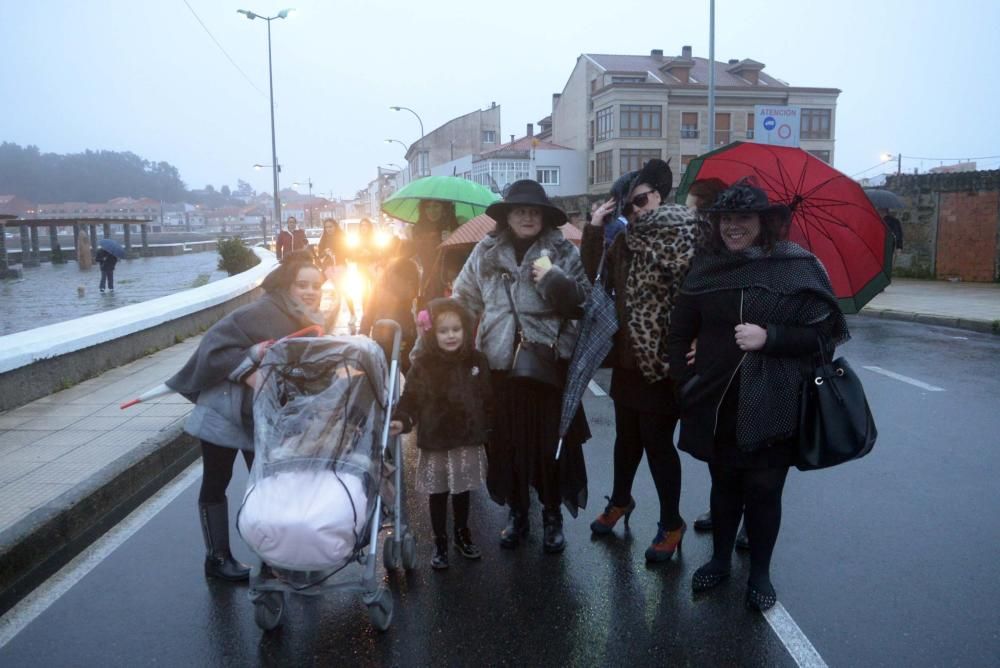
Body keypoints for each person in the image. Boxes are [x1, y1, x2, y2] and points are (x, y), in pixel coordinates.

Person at [667, 180, 849, 611]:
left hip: (774, 401)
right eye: (725, 219)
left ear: (764, 222)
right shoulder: (706, 266)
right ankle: (719, 559)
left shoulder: (797, 266)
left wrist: (771, 337)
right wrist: (684, 384)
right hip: (716, 401)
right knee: (724, 485)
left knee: (765, 491)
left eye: (742, 218)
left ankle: (761, 571)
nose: (732, 227)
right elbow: (678, 333)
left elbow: (825, 336)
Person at [166, 251, 327, 582]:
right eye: (303, 285)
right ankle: (217, 558)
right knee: (217, 480)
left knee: (268, 484)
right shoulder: (260, 312)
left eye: (317, 286)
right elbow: (214, 346)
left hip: (262, 416)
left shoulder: (307, 319)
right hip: (223, 410)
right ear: (286, 286)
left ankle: (273, 558)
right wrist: (248, 372)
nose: (311, 291)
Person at [451, 179, 590, 554]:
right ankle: (517, 512)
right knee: (506, 445)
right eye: (520, 210)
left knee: (549, 446)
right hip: (498, 365)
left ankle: (550, 515)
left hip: (546, 366)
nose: (527, 217)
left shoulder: (561, 250)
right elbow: (463, 299)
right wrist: (446, 335)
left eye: (534, 211)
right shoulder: (486, 251)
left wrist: (554, 281)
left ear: (544, 217)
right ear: (508, 216)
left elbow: (582, 305)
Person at [582, 159, 700, 562]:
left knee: (657, 444)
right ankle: (620, 500)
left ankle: (671, 523)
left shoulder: (687, 232)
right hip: (629, 360)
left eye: (642, 199)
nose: (636, 209)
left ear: (660, 195)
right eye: (627, 205)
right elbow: (594, 277)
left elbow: (700, 295)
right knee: (626, 439)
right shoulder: (625, 242)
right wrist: (596, 227)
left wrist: (701, 338)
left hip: (664, 363)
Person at [389, 298, 492, 569]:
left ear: (465, 329)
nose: (450, 336)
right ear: (432, 333)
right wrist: (402, 419)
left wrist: (488, 426)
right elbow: (410, 397)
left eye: (455, 330)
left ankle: (462, 534)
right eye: (443, 331)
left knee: (462, 491)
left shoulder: (476, 360)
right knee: (438, 493)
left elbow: (487, 396)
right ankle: (440, 542)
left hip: (466, 439)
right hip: (436, 439)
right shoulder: (424, 364)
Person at [361, 256, 420, 374]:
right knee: (409, 370)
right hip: (403, 334)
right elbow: (413, 297)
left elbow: (368, 313)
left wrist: (363, 336)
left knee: (384, 373)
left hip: (383, 336)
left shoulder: (380, 284)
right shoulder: (409, 278)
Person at [410, 199, 460, 307]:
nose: (432, 210)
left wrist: (453, 240)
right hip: (429, 281)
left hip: (450, 281)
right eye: (428, 207)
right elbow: (421, 252)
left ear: (444, 208)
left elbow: (460, 257)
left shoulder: (453, 226)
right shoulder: (418, 229)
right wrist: (438, 240)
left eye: (436, 206)